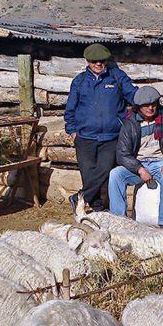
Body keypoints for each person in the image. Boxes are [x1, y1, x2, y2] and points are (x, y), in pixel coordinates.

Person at [64, 43, 137, 213]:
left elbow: (134, 95)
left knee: (104, 170)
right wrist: (73, 131)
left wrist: (148, 101)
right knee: (88, 174)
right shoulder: (80, 81)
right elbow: (70, 108)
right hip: (84, 137)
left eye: (102, 60)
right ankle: (97, 209)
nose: (98, 64)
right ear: (87, 61)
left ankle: (79, 198)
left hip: (111, 136)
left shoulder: (117, 77)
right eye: (94, 61)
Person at [109, 86, 163, 226]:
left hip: (161, 162)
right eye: (146, 106)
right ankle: (118, 221)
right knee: (115, 174)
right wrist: (139, 169)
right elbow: (122, 153)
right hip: (139, 163)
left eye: (153, 104)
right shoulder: (130, 123)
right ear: (138, 107)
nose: (151, 108)